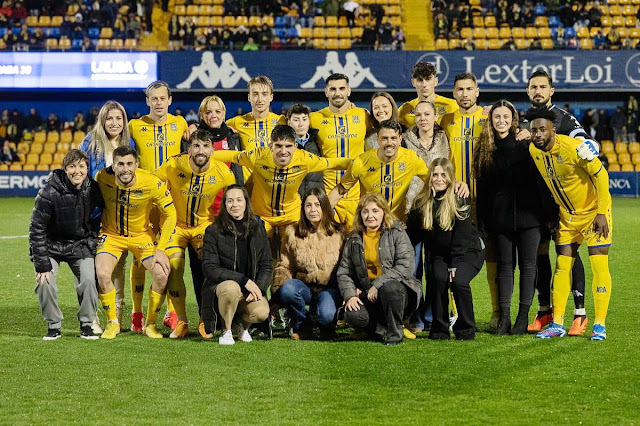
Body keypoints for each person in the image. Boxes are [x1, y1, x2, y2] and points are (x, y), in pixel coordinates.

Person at [519, 70, 599, 335]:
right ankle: (545, 311)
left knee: (568, 254)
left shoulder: (563, 119)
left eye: (543, 86)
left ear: (552, 90)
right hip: (535, 202)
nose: (538, 90)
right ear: (528, 91)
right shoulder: (526, 121)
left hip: (563, 203)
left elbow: (582, 140)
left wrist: (591, 145)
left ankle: (580, 313)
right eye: (534, 87)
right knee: (540, 254)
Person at [528, 110, 612, 341]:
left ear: (553, 129)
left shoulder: (573, 148)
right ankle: (557, 324)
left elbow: (602, 175)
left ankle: (599, 325)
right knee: (562, 266)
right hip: (566, 216)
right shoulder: (534, 150)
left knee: (599, 266)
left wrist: (602, 212)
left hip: (593, 215)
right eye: (534, 129)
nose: (537, 134)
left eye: (542, 129)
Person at [474, 100, 550, 334]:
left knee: (528, 267)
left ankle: (521, 318)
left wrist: (548, 217)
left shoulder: (526, 145)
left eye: (506, 116)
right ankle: (504, 317)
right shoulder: (484, 148)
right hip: (501, 220)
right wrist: (484, 222)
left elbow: (541, 182)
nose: (501, 121)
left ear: (513, 119)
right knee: (505, 267)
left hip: (530, 218)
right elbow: (484, 189)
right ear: (491, 120)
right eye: (497, 117)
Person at [154, 130, 236, 339]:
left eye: (205, 146)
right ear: (189, 148)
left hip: (203, 227)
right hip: (176, 226)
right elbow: (152, 183)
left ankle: (206, 319)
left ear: (212, 149)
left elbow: (234, 200)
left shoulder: (223, 173)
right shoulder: (173, 165)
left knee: (210, 268)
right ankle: (181, 321)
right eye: (196, 146)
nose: (201, 151)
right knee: (174, 265)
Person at [213, 125, 350, 242]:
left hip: (291, 215)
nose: (283, 151)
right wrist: (205, 155)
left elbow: (331, 163)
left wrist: (358, 162)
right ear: (270, 146)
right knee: (259, 251)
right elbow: (231, 156)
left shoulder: (304, 159)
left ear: (295, 146)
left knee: (295, 249)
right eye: (278, 146)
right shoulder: (258, 157)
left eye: (288, 146)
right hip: (262, 215)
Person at [94, 146, 177, 339]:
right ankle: (112, 323)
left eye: (129, 164)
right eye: (120, 164)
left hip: (141, 237)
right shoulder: (102, 178)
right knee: (102, 274)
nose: (125, 169)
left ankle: (150, 324)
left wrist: (161, 249)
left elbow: (171, 214)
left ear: (136, 165)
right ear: (113, 165)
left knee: (162, 274)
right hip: (112, 235)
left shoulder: (151, 182)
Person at [128, 81, 188, 331]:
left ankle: (171, 312)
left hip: (171, 202)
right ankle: (137, 313)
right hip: (142, 201)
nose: (159, 102)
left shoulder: (180, 124)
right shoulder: (134, 126)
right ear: (147, 101)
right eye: (154, 98)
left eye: (163, 98)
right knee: (140, 256)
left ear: (170, 100)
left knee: (173, 256)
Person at [29, 150, 103, 340]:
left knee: (89, 280)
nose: (77, 171)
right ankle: (53, 325)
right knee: (45, 281)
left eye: (81, 166)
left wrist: (92, 241)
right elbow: (36, 229)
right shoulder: (49, 192)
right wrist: (42, 264)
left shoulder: (93, 189)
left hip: (79, 245)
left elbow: (100, 220)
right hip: (51, 246)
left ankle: (87, 324)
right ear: (65, 169)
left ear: (87, 168)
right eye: (72, 166)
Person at [407, 158, 483, 340]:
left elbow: (462, 236)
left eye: (443, 175)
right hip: (439, 254)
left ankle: (466, 329)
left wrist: (454, 264)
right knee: (438, 279)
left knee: (459, 281)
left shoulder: (459, 197)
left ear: (450, 177)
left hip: (467, 252)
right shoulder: (421, 202)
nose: (439, 179)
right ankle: (439, 329)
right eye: (435, 175)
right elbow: (413, 233)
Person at [78, 100, 135, 330]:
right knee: (91, 267)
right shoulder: (90, 142)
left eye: (118, 118)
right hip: (92, 215)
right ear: (102, 120)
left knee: (118, 266)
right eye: (109, 118)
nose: (114, 123)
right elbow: (80, 175)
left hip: (119, 215)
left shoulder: (128, 143)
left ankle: (116, 317)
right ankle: (91, 318)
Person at [337, 193, 420, 345]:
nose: (370, 216)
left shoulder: (397, 232)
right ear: (360, 214)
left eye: (375, 211)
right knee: (353, 315)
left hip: (397, 292)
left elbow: (405, 266)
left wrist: (377, 284)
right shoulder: (354, 237)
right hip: (368, 293)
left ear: (384, 212)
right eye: (365, 211)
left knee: (390, 288)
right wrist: (350, 295)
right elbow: (344, 272)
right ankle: (379, 328)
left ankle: (395, 333)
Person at [201, 185, 272, 345]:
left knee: (261, 312)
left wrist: (258, 288)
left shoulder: (258, 229)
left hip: (248, 291)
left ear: (246, 203)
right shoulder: (213, 231)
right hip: (222, 291)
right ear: (225, 205)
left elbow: (267, 265)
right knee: (231, 287)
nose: (235, 205)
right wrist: (244, 280)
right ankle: (226, 331)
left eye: (239, 200)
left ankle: (241, 325)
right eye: (230, 201)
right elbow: (210, 268)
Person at [329, 120, 439, 223]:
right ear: (377, 139)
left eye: (393, 138)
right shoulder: (361, 162)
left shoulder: (411, 158)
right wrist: (324, 213)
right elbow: (340, 190)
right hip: (369, 222)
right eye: (384, 138)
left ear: (400, 139)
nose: (389, 143)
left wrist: (454, 183)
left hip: (398, 223)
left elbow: (432, 180)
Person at [402, 99, 450, 333]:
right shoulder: (406, 140)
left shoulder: (444, 138)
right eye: (418, 114)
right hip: (414, 209)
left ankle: (433, 316)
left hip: (440, 209)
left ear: (435, 117)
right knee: (413, 268)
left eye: (427, 114)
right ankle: (415, 317)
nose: (422, 118)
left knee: (435, 267)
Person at [273, 188, 346, 340]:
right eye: (308, 205)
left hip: (329, 288)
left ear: (325, 207)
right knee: (288, 290)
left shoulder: (339, 233)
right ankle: (302, 323)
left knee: (326, 315)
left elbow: (346, 268)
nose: (313, 209)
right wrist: (275, 298)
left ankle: (326, 325)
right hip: (303, 287)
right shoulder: (292, 232)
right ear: (303, 208)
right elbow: (285, 265)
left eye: (317, 205)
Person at [310, 73, 374, 229]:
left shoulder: (363, 115)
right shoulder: (314, 119)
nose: (337, 93)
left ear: (349, 91)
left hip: (357, 195)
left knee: (357, 247)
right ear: (326, 92)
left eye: (341, 88)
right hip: (328, 195)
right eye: (332, 89)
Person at [398, 62, 458, 129]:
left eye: (428, 79)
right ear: (413, 82)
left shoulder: (453, 106)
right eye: (420, 80)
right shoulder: (404, 110)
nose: (424, 85)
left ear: (436, 81)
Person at [286, 104, 324, 197]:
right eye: (296, 120)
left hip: (315, 200)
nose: (301, 124)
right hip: (292, 202)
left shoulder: (318, 141)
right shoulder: (284, 145)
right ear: (289, 122)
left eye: (304, 119)